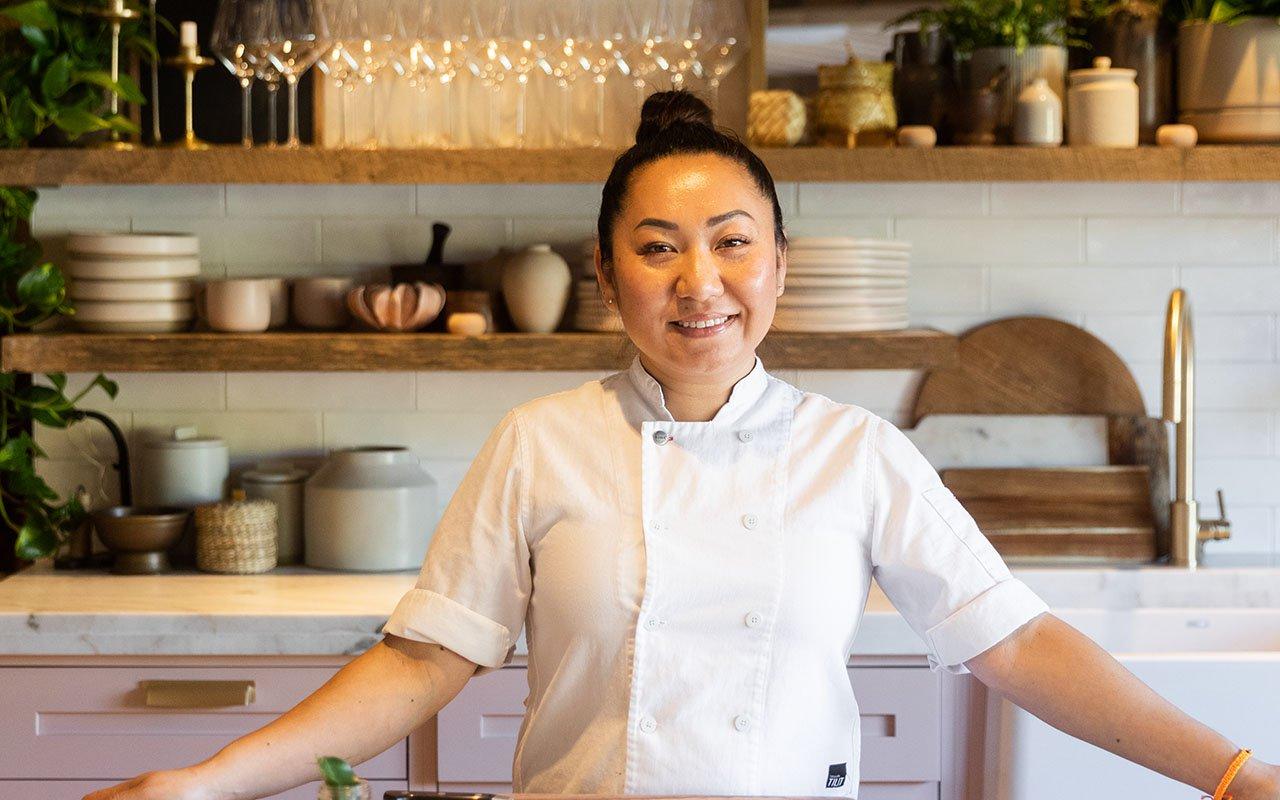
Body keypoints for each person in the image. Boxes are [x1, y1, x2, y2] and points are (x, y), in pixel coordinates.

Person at [90, 91, 1279, 800]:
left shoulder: (852, 453)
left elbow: (1013, 641)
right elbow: (421, 663)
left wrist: (1230, 774)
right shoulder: (539, 441)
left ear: (777, 267)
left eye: (729, 242)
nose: (698, 281)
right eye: (656, 247)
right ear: (605, 277)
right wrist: (208, 779)